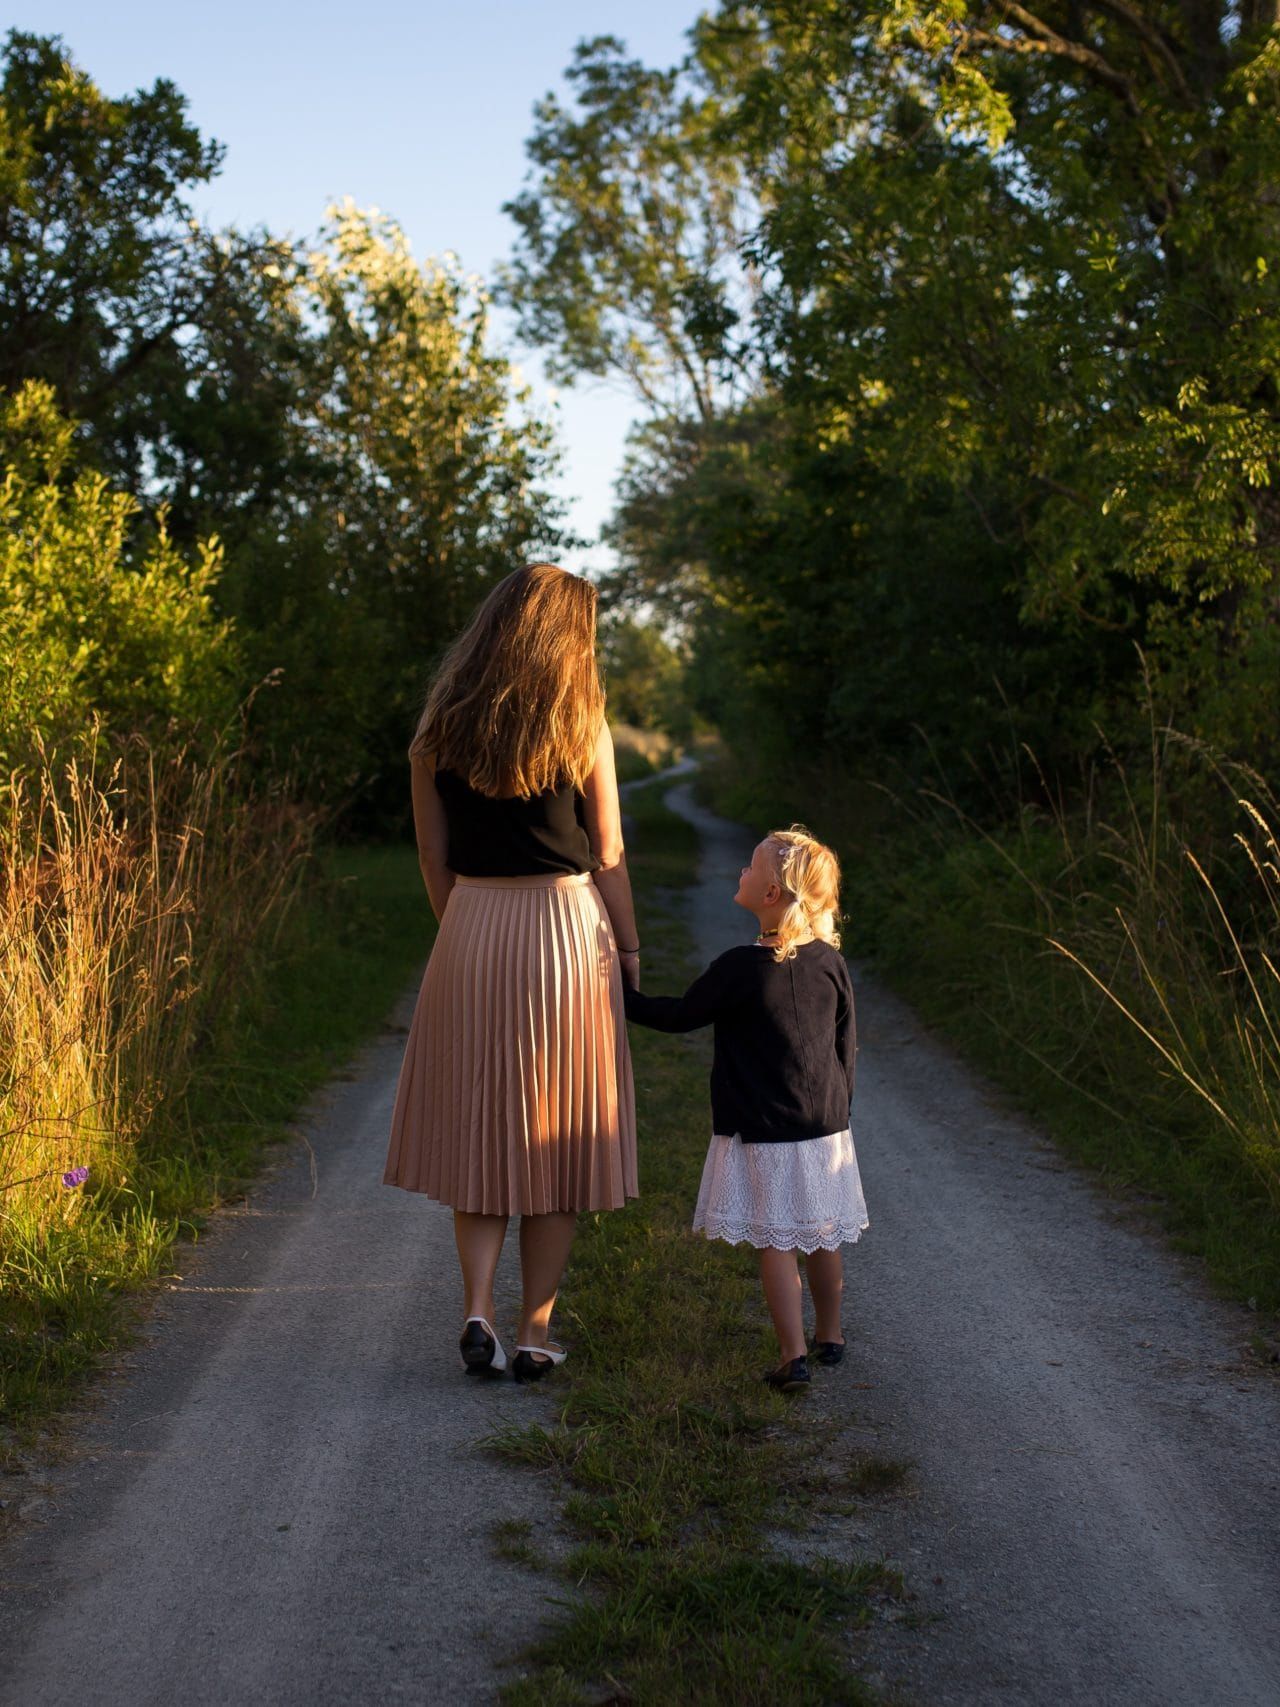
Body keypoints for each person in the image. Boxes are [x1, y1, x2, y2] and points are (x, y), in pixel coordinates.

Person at [384, 563, 640, 1384]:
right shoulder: (582, 721)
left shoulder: (438, 727)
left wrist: (461, 927)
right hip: (565, 928)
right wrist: (629, 949)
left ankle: (476, 1310)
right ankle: (535, 1330)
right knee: (555, 1134)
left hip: (472, 923)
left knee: (484, 1129)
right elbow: (606, 853)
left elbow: (431, 852)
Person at [623, 827, 866, 1392]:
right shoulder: (829, 961)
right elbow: (845, 1042)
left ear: (771, 895)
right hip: (825, 1126)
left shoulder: (739, 967)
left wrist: (617, 995)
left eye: (750, 867)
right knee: (822, 1233)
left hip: (765, 1126)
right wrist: (840, 1110)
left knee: (777, 1241)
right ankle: (831, 1336)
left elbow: (680, 1015)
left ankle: (792, 1356)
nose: (740, 872)